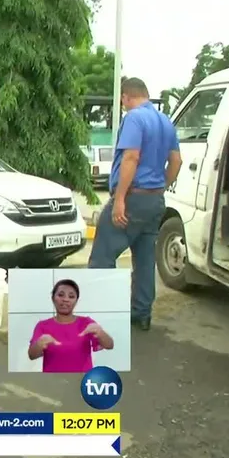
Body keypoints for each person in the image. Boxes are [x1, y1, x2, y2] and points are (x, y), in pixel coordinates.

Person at [88, 78, 182, 331]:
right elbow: (176, 161)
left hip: (132, 198)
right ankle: (142, 313)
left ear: (127, 97)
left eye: (123, 101)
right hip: (154, 200)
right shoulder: (165, 121)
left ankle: (102, 318)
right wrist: (161, 185)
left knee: (102, 257)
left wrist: (119, 199)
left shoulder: (134, 118)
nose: (123, 105)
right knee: (144, 258)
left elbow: (131, 157)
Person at [28, 280, 115, 373]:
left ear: (76, 300)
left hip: (82, 379)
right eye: (61, 295)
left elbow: (110, 345)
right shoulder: (42, 326)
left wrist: (100, 332)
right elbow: (31, 355)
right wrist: (40, 343)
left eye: (71, 296)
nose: (66, 299)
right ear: (53, 298)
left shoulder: (86, 323)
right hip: (53, 381)